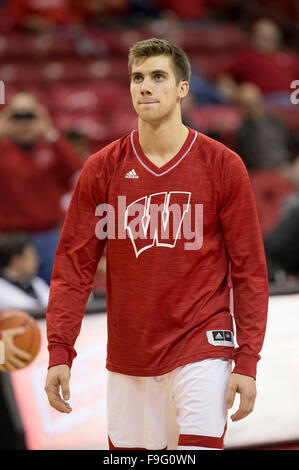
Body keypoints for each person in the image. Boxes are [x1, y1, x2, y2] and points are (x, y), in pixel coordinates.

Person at [45, 38, 268, 450]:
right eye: (137, 78)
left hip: (203, 345)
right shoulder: (102, 168)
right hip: (129, 353)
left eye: (158, 77)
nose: (144, 87)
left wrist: (247, 360)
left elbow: (250, 271)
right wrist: (60, 350)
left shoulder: (223, 165)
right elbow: (73, 268)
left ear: (183, 88)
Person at [0, 91, 83, 284]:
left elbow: (78, 174)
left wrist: (51, 133)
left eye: (29, 115)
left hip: (47, 235)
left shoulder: (51, 148)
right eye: (17, 116)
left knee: (55, 290)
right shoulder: (3, 150)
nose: (24, 123)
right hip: (10, 238)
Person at [0, 232, 49, 311]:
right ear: (16, 260)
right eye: (31, 256)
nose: (37, 261)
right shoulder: (2, 289)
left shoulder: (36, 282)